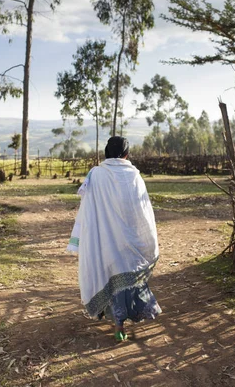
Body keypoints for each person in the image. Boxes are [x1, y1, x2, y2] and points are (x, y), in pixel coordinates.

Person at [67, 136, 161, 342]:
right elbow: (142, 211)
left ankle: (118, 325)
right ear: (126, 154)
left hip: (106, 240)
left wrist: (93, 235)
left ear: (107, 152)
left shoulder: (97, 174)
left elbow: (89, 207)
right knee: (129, 277)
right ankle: (138, 313)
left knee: (111, 276)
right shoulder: (134, 175)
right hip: (130, 239)